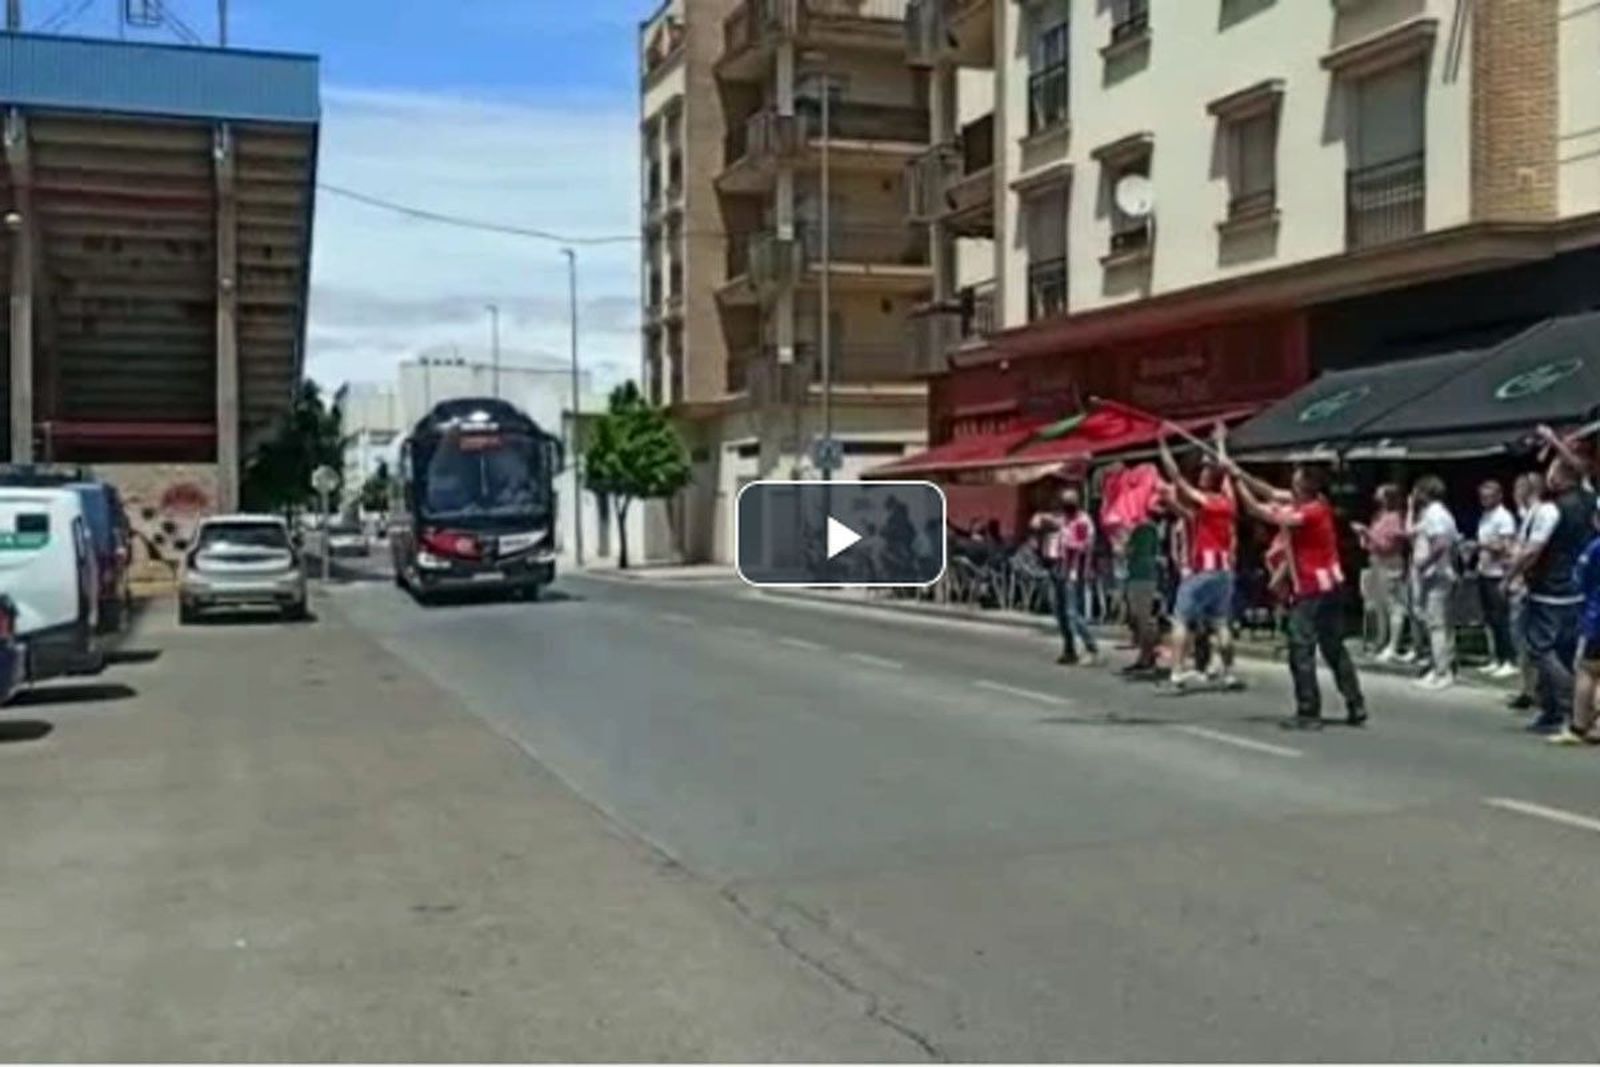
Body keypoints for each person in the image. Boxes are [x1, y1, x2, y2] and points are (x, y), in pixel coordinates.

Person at [1226, 455, 1367, 729]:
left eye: (1297, 478)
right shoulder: (1315, 502)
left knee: (1301, 648)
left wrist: (1235, 480)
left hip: (1312, 587)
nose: (1292, 481)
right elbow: (1268, 492)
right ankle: (1355, 703)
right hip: (1331, 585)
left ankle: (1308, 710)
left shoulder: (1308, 512)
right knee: (1333, 647)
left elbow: (1258, 510)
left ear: (1305, 485)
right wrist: (1238, 472)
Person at [1505, 448, 1597, 734]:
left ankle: (1566, 705)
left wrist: (1510, 576)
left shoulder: (1552, 509)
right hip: (1579, 588)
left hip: (1549, 588)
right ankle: (1556, 709)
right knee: (1566, 651)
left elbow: (1534, 550)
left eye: (1552, 469)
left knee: (1539, 648)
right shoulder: (1591, 500)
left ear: (1559, 477)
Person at [1157, 434, 1240, 690]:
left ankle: (1177, 671)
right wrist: (1220, 444)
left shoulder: (1203, 501)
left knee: (1180, 620)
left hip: (1202, 568)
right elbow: (1226, 470)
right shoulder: (1229, 502)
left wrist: (1162, 446)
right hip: (1225, 571)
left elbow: (1176, 478)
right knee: (1221, 623)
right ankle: (1229, 673)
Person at [1550, 501, 1600, 746]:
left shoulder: (1595, 548)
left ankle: (1579, 726)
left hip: (1596, 618)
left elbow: (1580, 580)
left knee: (1587, 669)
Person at [1032, 486, 1099, 666]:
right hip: (1060, 569)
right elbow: (1048, 520)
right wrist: (1041, 518)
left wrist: (1062, 536)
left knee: (1072, 613)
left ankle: (1091, 647)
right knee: (1060, 612)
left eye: (1068, 502)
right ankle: (1069, 649)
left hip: (1074, 572)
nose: (1064, 506)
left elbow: (1081, 546)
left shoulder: (1082, 522)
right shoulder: (1065, 520)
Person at [1408, 475, 1460, 690]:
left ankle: (1442, 672)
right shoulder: (1435, 513)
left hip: (1435, 575)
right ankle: (1440, 665)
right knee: (1439, 623)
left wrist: (1424, 564)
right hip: (1437, 574)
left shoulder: (1435, 515)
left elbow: (1440, 544)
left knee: (1436, 624)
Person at [1505, 473, 1548, 710]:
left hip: (1525, 584)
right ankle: (1528, 688)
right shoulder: (1528, 514)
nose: (1514, 493)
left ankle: (1533, 690)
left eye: (1518, 488)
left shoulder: (1538, 513)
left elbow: (1529, 551)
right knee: (1521, 638)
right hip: (1521, 582)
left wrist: (1511, 573)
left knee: (1525, 638)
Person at [1354, 483, 1410, 661]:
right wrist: (1363, 535)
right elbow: (1371, 544)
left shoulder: (1395, 518)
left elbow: (1389, 545)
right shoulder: (1379, 516)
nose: (1376, 497)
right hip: (1376, 561)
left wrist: (1367, 533)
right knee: (1379, 604)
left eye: (1380, 494)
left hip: (1390, 563)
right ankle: (1381, 640)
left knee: (1394, 605)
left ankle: (1393, 645)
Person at [1473, 479, 1519, 678]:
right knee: (1490, 618)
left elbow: (1506, 546)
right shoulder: (1485, 516)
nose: (1485, 500)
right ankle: (1496, 658)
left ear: (1499, 496)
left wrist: (1481, 545)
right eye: (1482, 497)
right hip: (1484, 571)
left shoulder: (1504, 517)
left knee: (1501, 618)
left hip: (1498, 573)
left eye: (1489, 496)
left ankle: (1510, 660)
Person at [1118, 503, 1163, 675]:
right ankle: (1147, 655)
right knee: (1142, 618)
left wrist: (1122, 541)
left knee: (1141, 619)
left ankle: (1147, 657)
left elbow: (1127, 551)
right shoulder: (1153, 530)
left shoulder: (1140, 530)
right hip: (1148, 576)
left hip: (1139, 576)